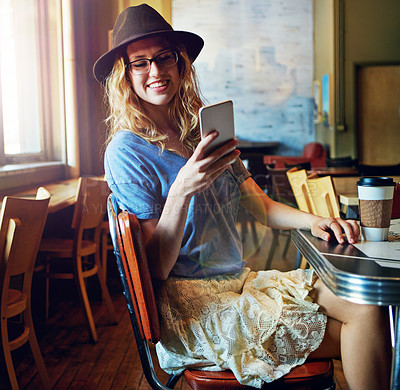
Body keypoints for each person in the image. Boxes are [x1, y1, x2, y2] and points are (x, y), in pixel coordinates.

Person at [93, 4, 391, 389]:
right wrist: (182, 188)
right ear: (124, 74)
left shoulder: (200, 129)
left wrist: (317, 220)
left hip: (238, 283)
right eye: (140, 63)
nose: (155, 71)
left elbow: (259, 205)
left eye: (164, 57)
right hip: (193, 308)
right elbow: (153, 270)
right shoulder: (126, 150)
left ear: (180, 63)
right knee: (362, 325)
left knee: (370, 308)